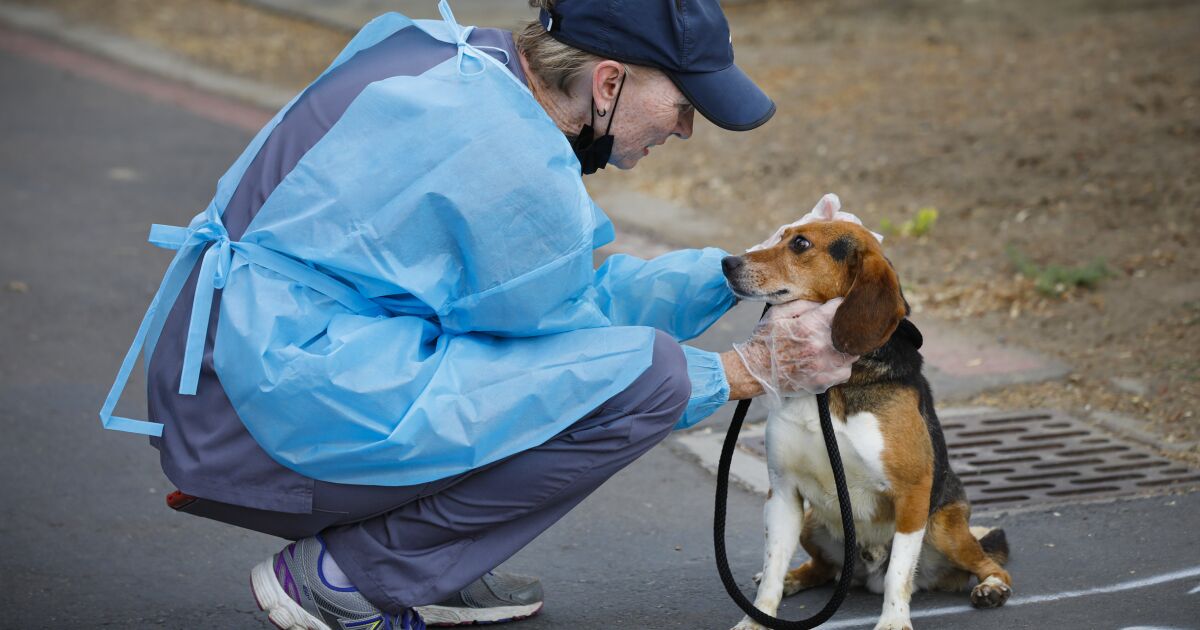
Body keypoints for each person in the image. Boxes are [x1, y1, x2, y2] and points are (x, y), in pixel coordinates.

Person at [99, 1, 857, 628]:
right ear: (609, 81)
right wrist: (747, 370)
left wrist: (739, 271)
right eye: (683, 106)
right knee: (647, 382)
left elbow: (543, 310)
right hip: (268, 413)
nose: (685, 130)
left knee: (596, 369)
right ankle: (346, 576)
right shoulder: (510, 152)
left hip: (238, 378)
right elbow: (578, 351)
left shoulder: (457, 61)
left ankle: (428, 564)